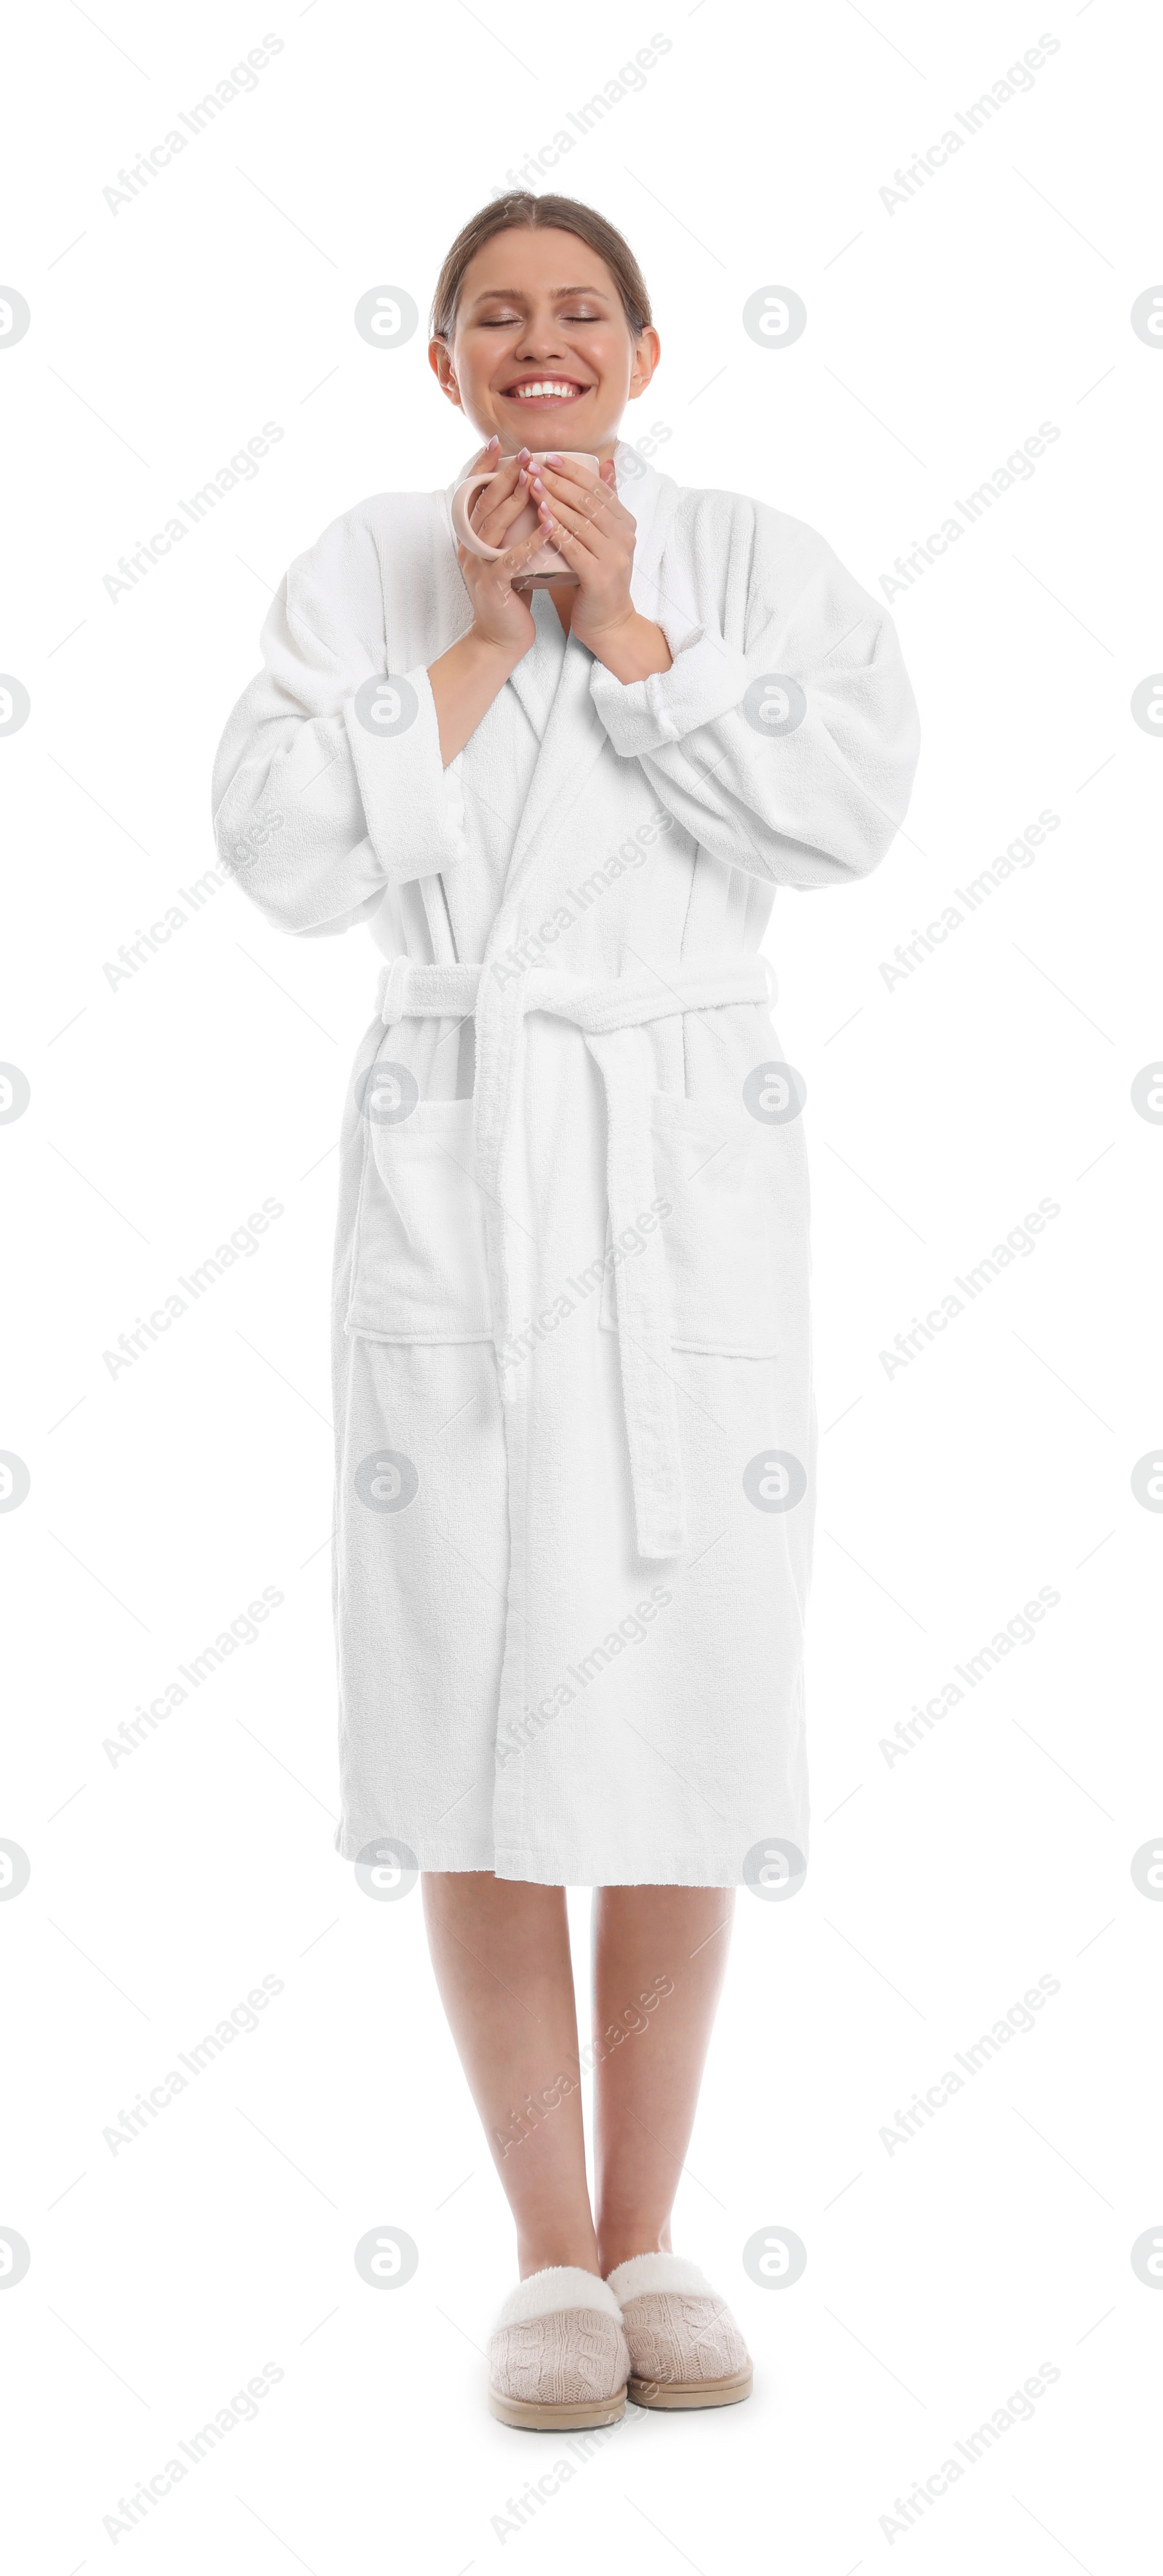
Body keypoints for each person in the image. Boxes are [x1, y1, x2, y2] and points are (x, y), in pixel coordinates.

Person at [211, 190, 919, 2432]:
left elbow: (849, 811)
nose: (541, 345)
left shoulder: (761, 564)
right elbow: (279, 845)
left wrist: (623, 627)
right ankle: (541, 2256)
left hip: (685, 1172)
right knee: (478, 1696)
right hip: (460, 1160)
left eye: (578, 313)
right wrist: (484, 645)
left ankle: (658, 2232)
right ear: (443, 362)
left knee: (689, 1701)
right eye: (495, 317)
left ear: (639, 347)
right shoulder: (360, 570)